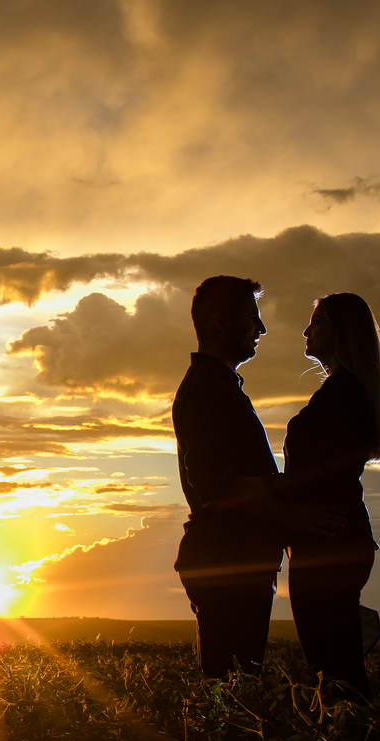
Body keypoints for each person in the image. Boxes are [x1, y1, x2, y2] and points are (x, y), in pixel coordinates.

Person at [280, 293, 380, 698]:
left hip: (327, 539)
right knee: (335, 661)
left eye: (317, 322)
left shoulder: (342, 394)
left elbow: (320, 475)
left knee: (333, 669)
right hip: (335, 537)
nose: (306, 331)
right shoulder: (347, 391)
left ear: (344, 334)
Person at [172, 276, 286, 678]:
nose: (262, 329)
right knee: (233, 689)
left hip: (232, 559)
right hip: (229, 561)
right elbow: (211, 479)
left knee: (231, 686)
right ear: (223, 323)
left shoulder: (217, 386)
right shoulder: (207, 389)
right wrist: (285, 503)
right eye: (253, 318)